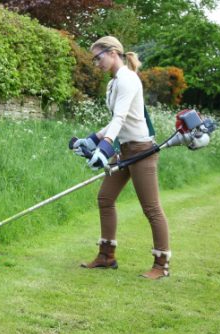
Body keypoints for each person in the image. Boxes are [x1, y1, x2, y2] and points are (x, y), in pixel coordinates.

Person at [72, 36, 171, 280]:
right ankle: (107, 256)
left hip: (142, 152)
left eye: (98, 57)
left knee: (152, 208)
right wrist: (93, 139)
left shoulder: (127, 79)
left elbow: (120, 118)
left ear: (113, 52)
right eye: (94, 59)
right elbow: (116, 119)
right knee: (105, 198)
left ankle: (161, 265)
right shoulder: (114, 83)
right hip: (126, 150)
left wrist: (104, 147)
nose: (96, 63)